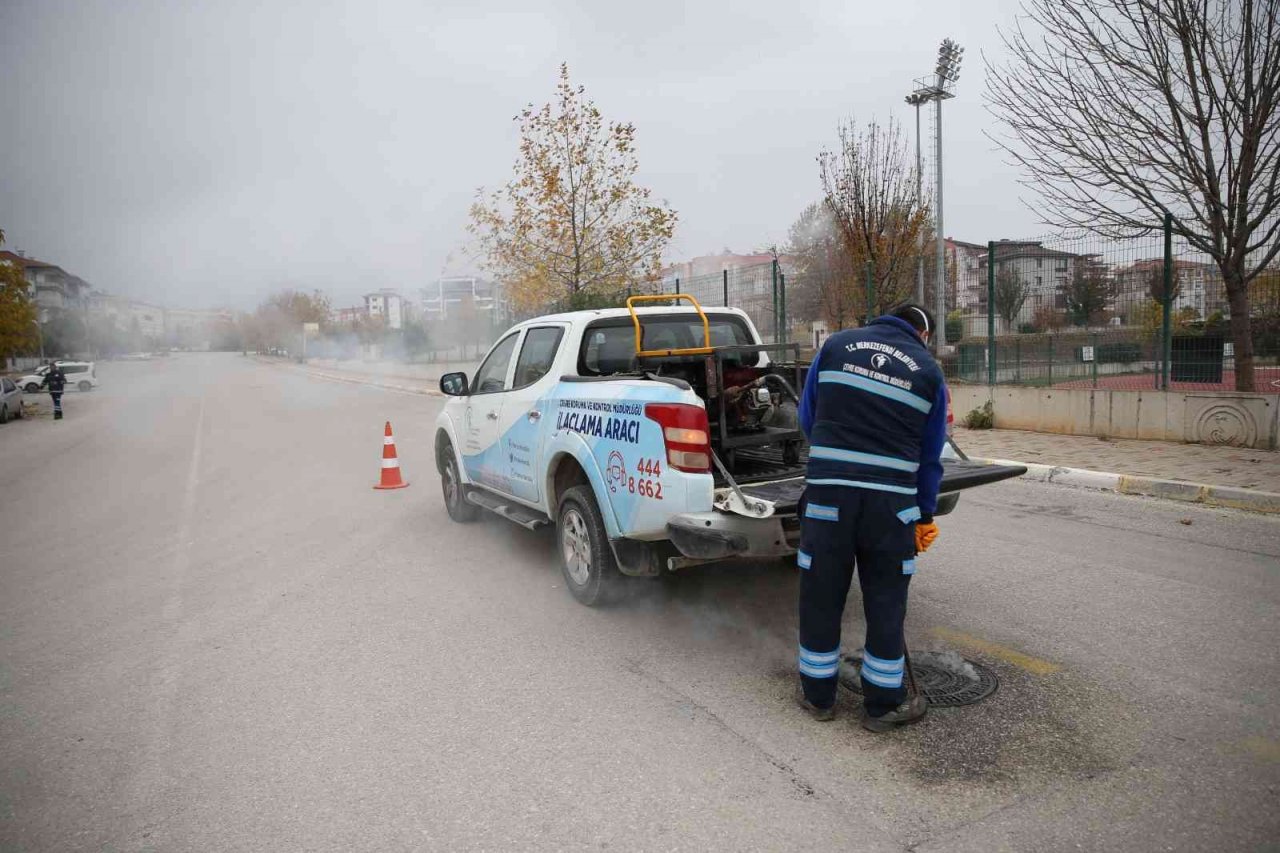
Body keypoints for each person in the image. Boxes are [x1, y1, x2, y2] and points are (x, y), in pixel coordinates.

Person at [793, 304, 946, 732]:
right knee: (885, 602)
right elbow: (930, 456)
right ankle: (882, 706)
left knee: (821, 595)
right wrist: (924, 515)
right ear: (923, 334)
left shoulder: (836, 345)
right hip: (891, 506)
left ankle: (818, 698)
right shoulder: (929, 371)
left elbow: (809, 417)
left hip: (828, 498)